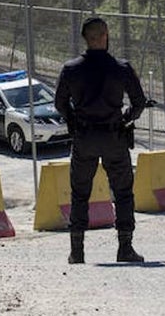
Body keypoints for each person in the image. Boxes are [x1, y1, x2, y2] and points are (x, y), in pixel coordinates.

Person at [55, 16, 148, 265]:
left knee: (79, 193)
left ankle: (77, 252)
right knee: (123, 192)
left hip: (84, 136)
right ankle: (125, 248)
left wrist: (74, 122)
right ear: (105, 36)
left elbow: (59, 103)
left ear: (86, 39)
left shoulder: (71, 69)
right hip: (113, 136)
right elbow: (139, 103)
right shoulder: (122, 68)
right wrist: (126, 119)